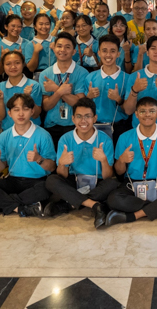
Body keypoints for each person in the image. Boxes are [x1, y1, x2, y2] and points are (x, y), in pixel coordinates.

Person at [0, 93, 55, 218]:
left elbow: (51, 167)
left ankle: (1, 203)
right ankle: (22, 207)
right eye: (16, 110)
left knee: (47, 189)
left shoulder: (43, 135)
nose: (21, 114)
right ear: (10, 113)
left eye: (25, 109)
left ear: (32, 111)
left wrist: (39, 159)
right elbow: (0, 169)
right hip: (13, 180)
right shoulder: (4, 136)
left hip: (37, 181)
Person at [106, 96, 157, 225]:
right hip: (132, 184)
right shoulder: (124, 137)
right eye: (142, 111)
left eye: (152, 111)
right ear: (136, 114)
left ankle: (135, 215)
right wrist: (122, 160)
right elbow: (119, 171)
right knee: (113, 199)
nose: (147, 115)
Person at [44, 98, 119, 228]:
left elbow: (108, 177)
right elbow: (62, 176)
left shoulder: (105, 140)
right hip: (74, 181)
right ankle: (94, 205)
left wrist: (104, 160)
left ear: (94, 118)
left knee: (113, 183)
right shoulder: (65, 139)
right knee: (51, 180)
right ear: (73, 119)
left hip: (97, 183)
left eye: (87, 116)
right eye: (79, 116)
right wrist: (62, 164)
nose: (83, 121)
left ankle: (70, 203)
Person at [38, 33, 89, 146]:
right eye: (59, 46)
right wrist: (61, 91)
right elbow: (46, 106)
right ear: (54, 48)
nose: (62, 50)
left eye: (67, 47)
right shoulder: (45, 74)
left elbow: (79, 103)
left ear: (73, 51)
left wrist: (55, 89)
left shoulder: (82, 73)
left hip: (76, 125)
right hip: (52, 126)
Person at [83, 34, 130, 142]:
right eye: (104, 51)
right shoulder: (90, 77)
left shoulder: (127, 79)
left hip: (120, 128)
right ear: (98, 53)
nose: (108, 55)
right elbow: (83, 107)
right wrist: (88, 97)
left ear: (118, 53)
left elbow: (129, 110)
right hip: (94, 127)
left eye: (113, 51)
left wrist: (118, 99)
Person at [0, 51, 43, 131]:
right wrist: (0, 100)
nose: (13, 67)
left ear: (23, 64)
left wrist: (28, 97)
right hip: (8, 132)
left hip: (32, 131)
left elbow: (35, 115)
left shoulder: (34, 85)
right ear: (3, 66)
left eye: (17, 63)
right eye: (8, 64)